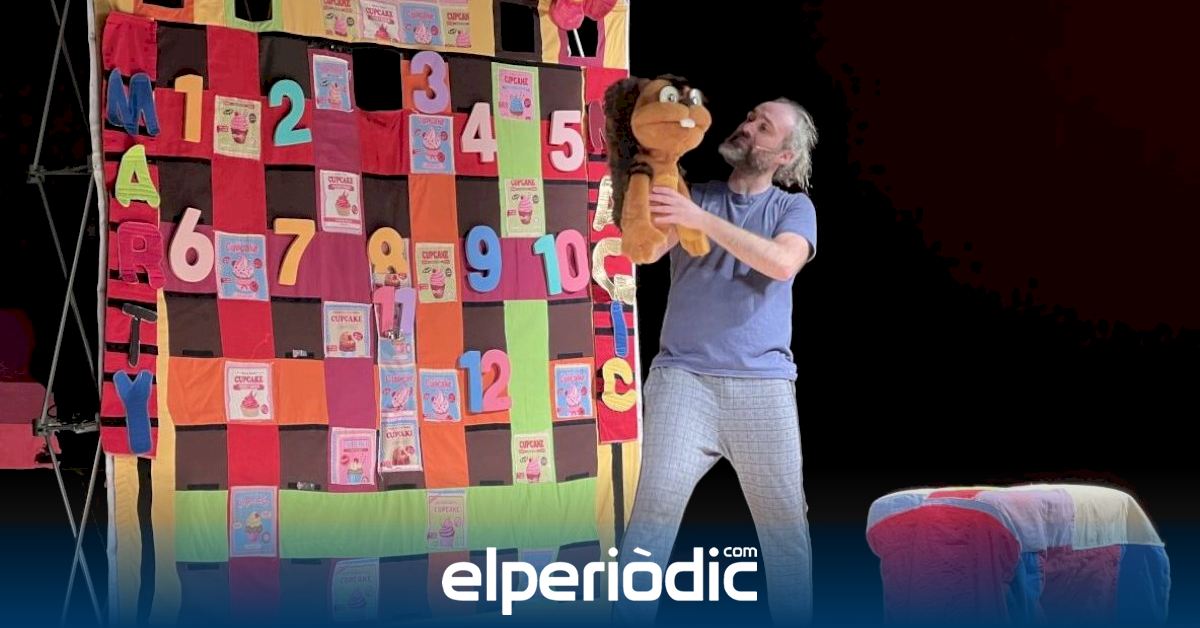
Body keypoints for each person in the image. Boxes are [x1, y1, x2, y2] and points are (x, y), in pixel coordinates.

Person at [612, 97, 819, 626]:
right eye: (750, 117)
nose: (748, 126)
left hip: (763, 387)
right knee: (652, 516)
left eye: (763, 127)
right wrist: (649, 169)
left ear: (783, 155)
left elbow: (782, 263)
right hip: (684, 381)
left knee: (784, 530)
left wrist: (699, 219)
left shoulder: (792, 209)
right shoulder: (694, 194)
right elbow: (643, 251)